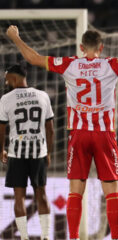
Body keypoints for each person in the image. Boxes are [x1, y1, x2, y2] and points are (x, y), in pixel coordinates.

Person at [7, 26, 118, 240]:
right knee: (112, 191)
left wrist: (16, 37)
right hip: (104, 134)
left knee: (75, 190)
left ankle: (75, 237)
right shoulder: (112, 65)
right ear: (101, 47)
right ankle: (115, 237)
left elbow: (34, 59)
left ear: (81, 48)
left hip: (78, 134)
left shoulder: (70, 64)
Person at [0, 65, 54, 240]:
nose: (6, 82)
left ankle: (24, 237)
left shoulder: (6, 99)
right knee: (42, 194)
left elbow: (1, 129)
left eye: (7, 78)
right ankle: (46, 236)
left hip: (17, 153)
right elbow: (50, 128)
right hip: (39, 152)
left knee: (19, 198)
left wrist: (1, 150)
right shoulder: (43, 95)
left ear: (15, 78)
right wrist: (49, 152)